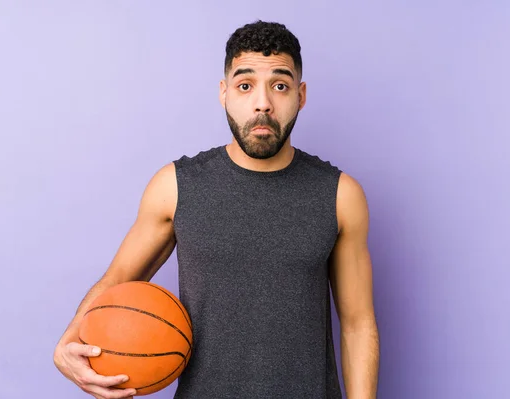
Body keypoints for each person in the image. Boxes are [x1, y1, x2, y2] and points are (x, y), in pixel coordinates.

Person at [53, 20, 379, 399]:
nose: (263, 103)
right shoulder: (175, 186)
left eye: (280, 85)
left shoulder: (340, 195)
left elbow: (357, 324)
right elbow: (118, 280)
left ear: (300, 95)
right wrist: (68, 341)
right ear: (224, 93)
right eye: (245, 86)